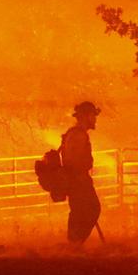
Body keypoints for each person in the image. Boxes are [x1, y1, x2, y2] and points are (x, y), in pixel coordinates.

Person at [61, 101, 101, 244]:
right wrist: (80, 178)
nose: (95, 119)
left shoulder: (77, 134)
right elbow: (73, 161)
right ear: (85, 116)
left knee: (82, 211)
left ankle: (74, 243)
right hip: (78, 180)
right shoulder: (78, 135)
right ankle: (75, 243)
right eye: (93, 115)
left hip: (79, 179)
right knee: (90, 210)